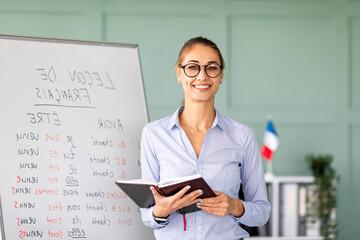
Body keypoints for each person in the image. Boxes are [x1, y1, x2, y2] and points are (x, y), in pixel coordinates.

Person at [140, 36, 270, 240]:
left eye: (211, 68)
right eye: (192, 67)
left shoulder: (243, 136)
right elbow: (147, 215)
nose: (202, 76)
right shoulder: (154, 134)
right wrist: (160, 211)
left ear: (220, 76)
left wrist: (235, 206)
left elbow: (262, 213)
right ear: (179, 73)